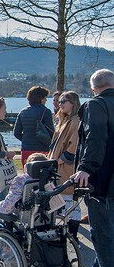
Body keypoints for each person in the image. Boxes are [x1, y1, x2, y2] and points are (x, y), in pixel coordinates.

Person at [71, 69, 114, 267]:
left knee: (102, 230)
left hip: (104, 178)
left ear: (93, 87)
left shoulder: (95, 105)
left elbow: (96, 137)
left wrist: (86, 167)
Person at [47, 91, 81, 241]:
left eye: (63, 101)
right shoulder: (64, 120)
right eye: (59, 101)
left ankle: (72, 236)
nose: (60, 104)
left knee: (69, 203)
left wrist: (58, 161)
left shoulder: (75, 121)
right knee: (61, 201)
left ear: (73, 103)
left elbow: (72, 150)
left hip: (65, 168)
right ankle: (65, 234)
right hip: (58, 167)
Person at [13, 86, 54, 168]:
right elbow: (51, 132)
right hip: (42, 149)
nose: (46, 100)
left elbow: (16, 133)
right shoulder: (46, 112)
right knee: (42, 175)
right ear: (40, 98)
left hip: (26, 148)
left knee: (27, 174)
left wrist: (26, 139)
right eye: (45, 97)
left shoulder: (23, 112)